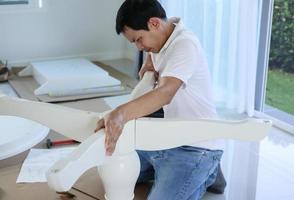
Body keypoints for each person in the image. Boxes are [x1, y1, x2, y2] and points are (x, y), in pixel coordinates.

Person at [95, 0, 225, 199]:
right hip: (166, 139)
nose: (139, 47)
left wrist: (121, 114)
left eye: (138, 39)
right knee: (112, 170)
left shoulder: (185, 44)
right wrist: (150, 60)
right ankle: (175, 172)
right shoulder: (162, 38)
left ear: (154, 23)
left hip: (196, 147)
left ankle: (208, 169)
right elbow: (167, 32)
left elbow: (165, 93)